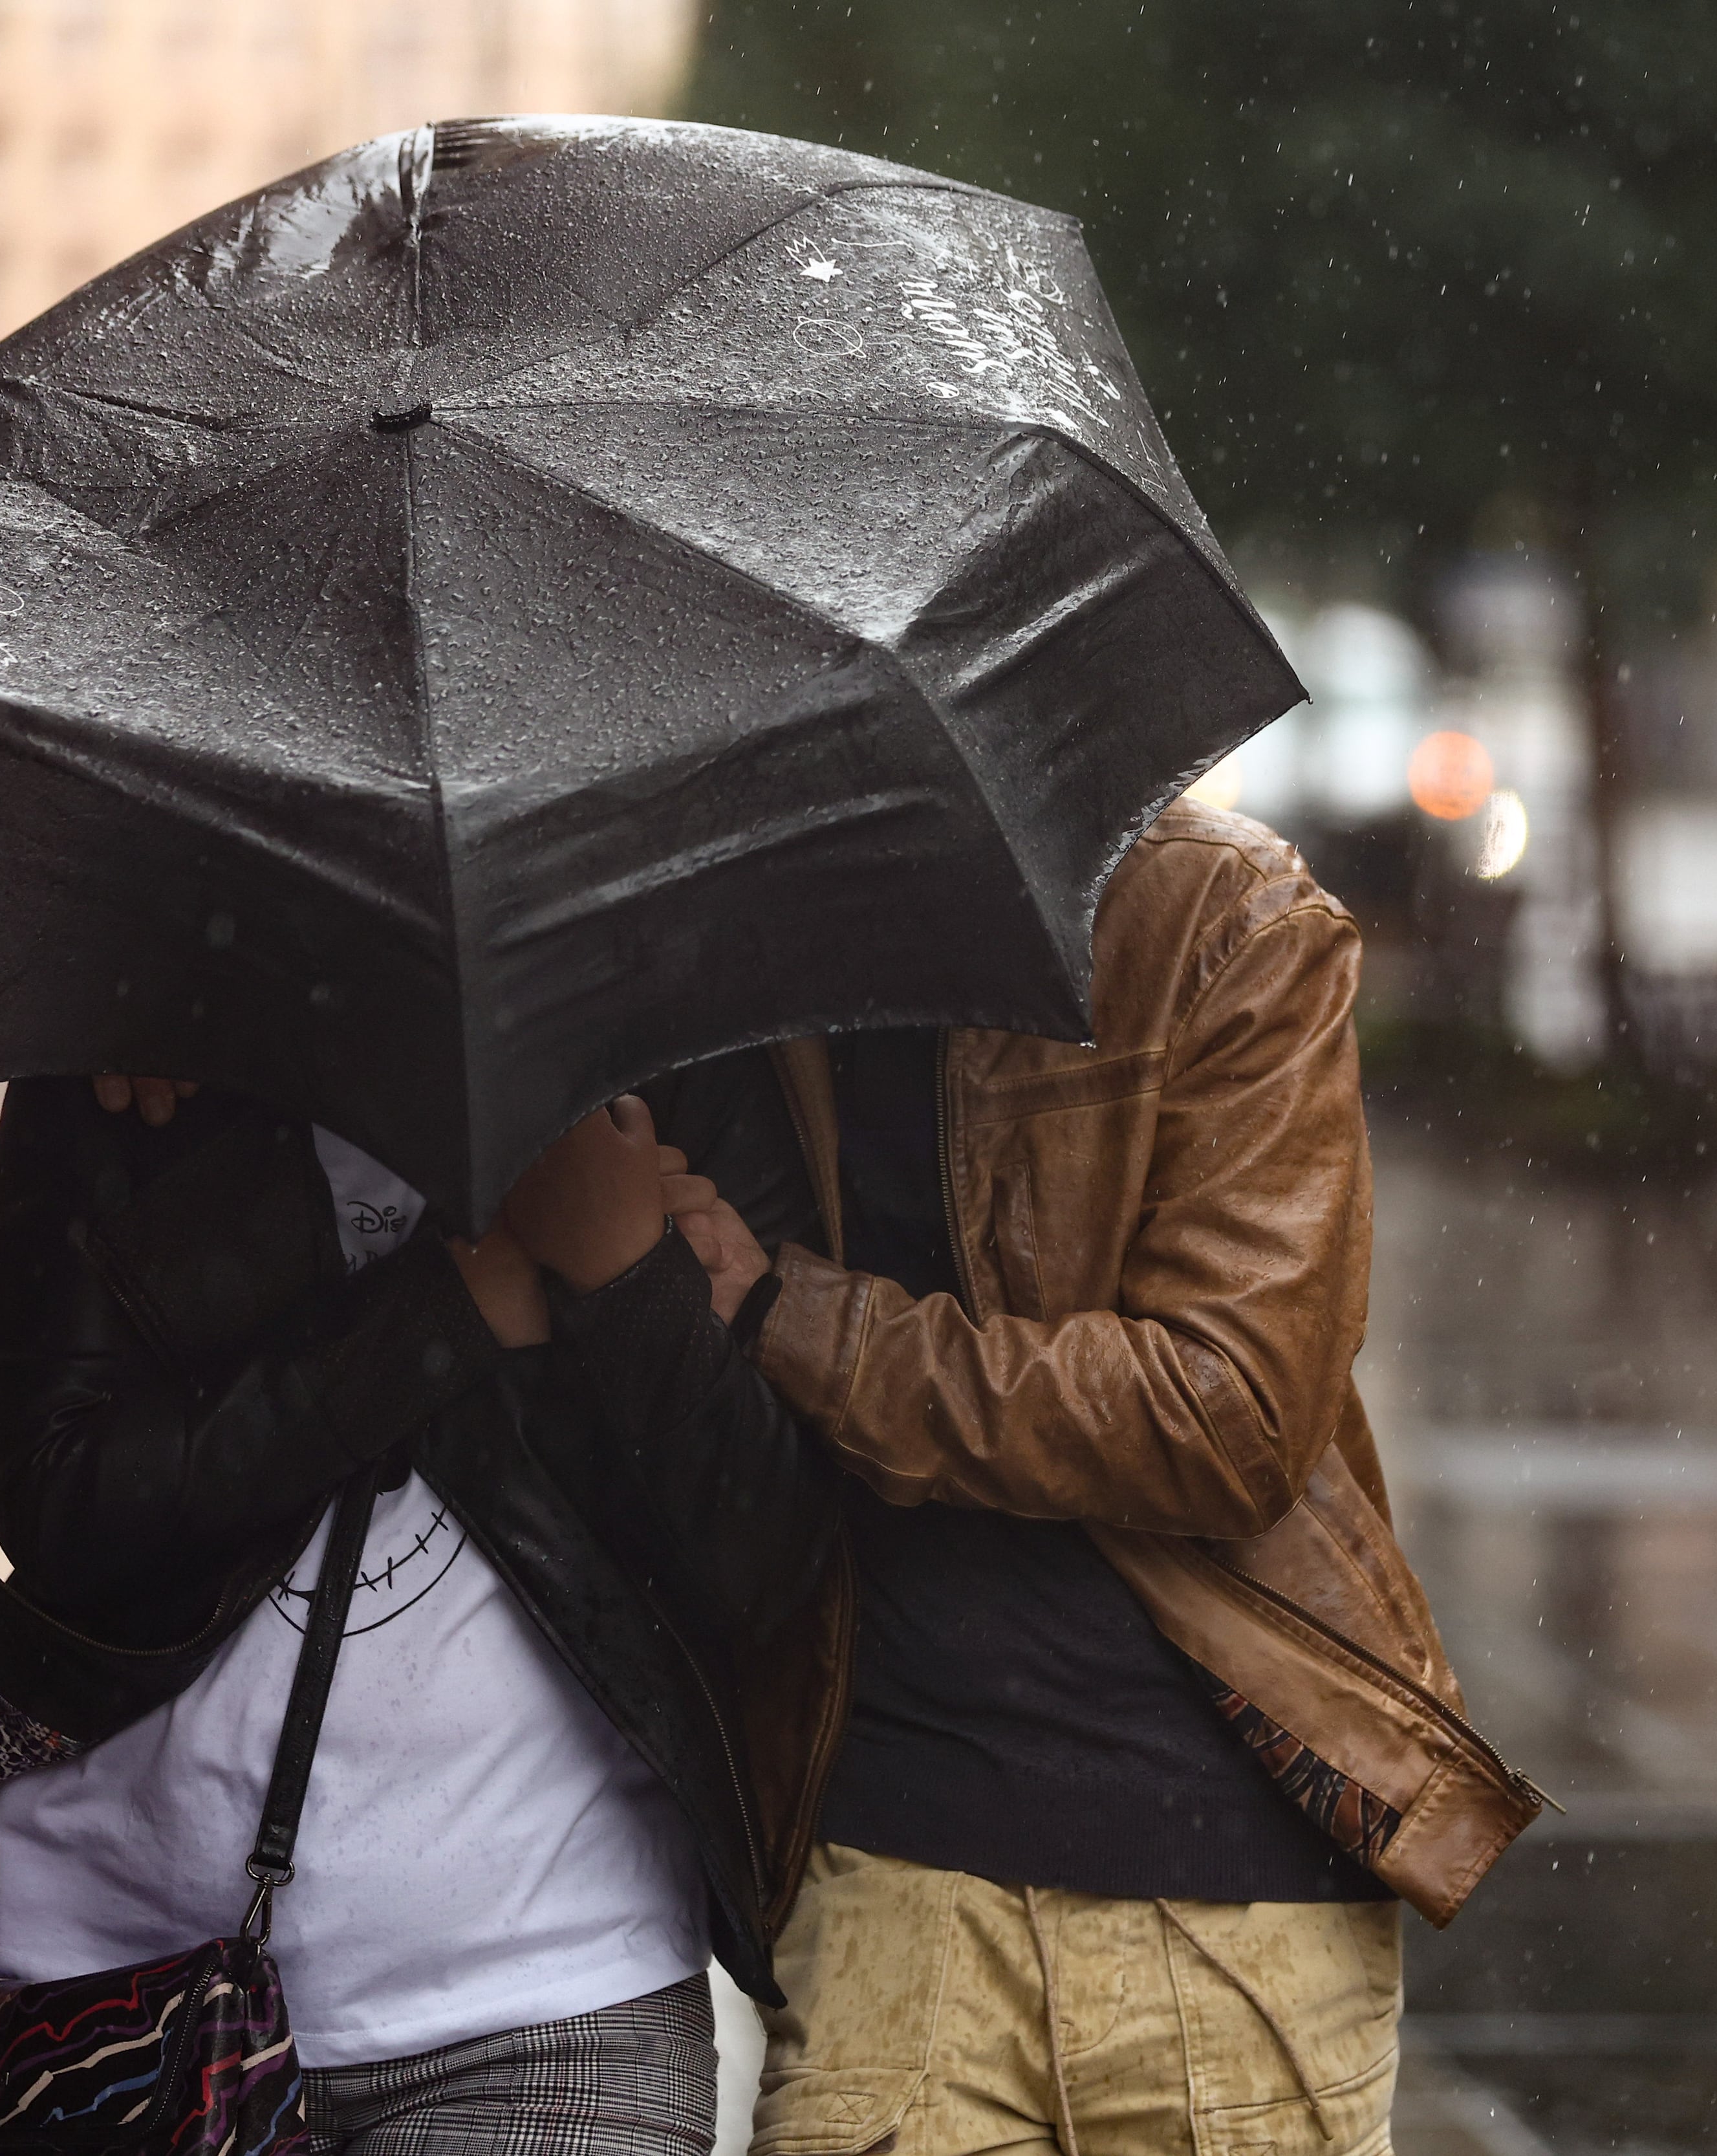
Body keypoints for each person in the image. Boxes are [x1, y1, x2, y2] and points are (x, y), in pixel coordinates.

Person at [645, 798, 1546, 2156]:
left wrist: (807, 1322)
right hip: (893, 1882)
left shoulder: (1218, 913)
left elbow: (1234, 1413)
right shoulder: (734, 948)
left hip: (1222, 1897)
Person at [0, 1076, 822, 2156]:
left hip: (550, 2009)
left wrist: (625, 1276)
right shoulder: (140, 1029)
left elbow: (778, 1569)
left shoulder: (670, 1036)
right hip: (116, 2008)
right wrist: (440, 1315)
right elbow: (61, 1495)